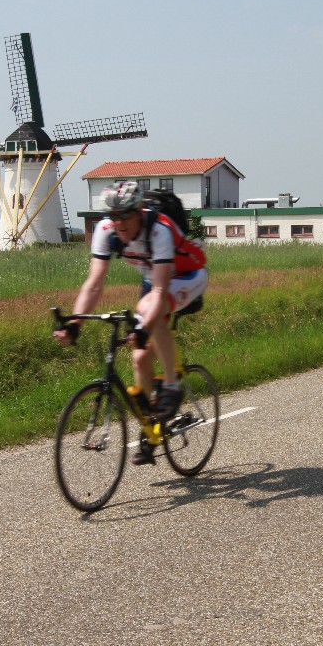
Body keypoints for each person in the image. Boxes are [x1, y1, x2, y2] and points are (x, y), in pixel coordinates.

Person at [54, 180, 208, 464]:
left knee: (148, 310)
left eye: (125, 215)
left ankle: (172, 387)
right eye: (114, 216)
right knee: (138, 358)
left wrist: (144, 326)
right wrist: (75, 324)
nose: (119, 222)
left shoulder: (159, 229)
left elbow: (159, 292)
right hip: (155, 279)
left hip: (188, 275)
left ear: (139, 211)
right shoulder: (106, 230)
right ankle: (154, 431)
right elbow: (94, 283)